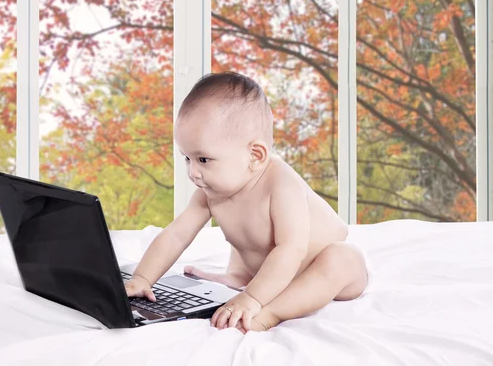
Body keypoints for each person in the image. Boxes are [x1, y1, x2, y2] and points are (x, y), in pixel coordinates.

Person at [124, 72, 368, 333]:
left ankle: (272, 312)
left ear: (255, 155)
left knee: (342, 258)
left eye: (203, 160)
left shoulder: (281, 183)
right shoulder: (212, 191)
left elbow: (291, 249)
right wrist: (142, 277)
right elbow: (175, 235)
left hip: (318, 272)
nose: (193, 172)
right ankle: (239, 278)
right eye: (187, 158)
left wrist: (252, 298)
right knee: (243, 226)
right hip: (269, 273)